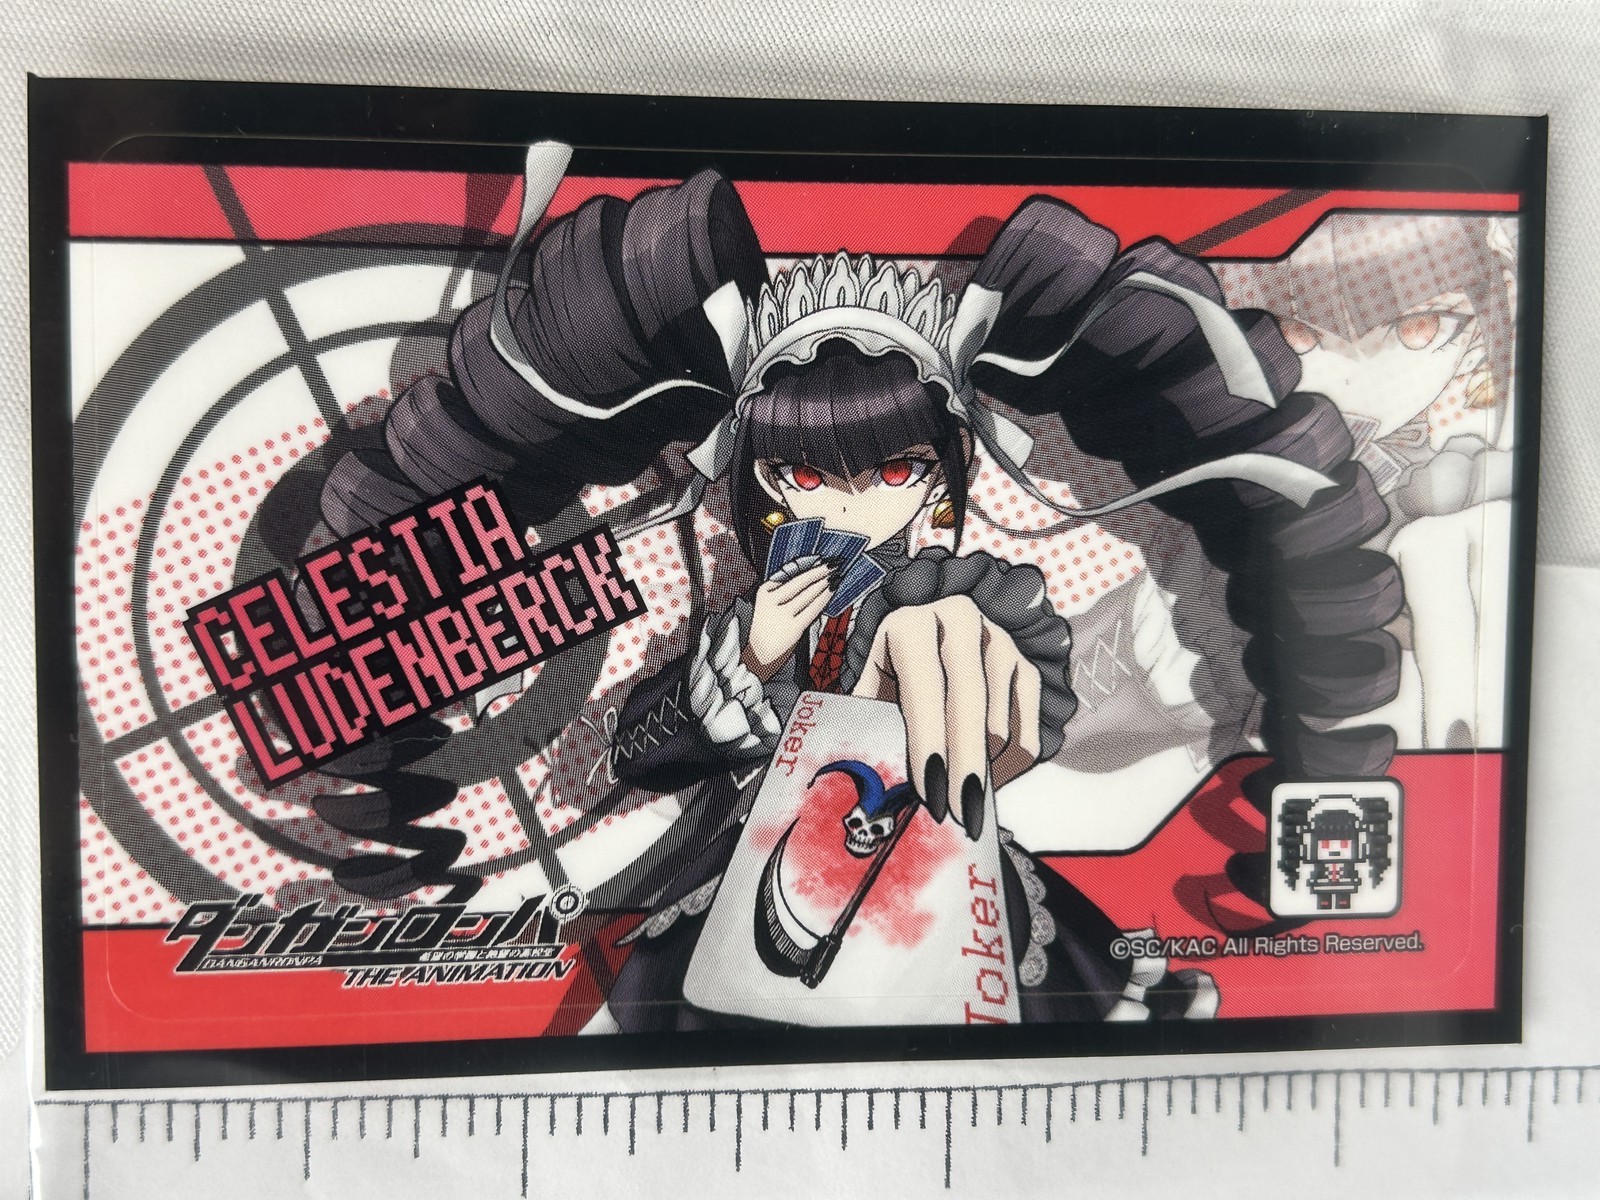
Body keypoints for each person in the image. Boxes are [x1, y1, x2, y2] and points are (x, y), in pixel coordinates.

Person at [312, 144, 1402, 1026]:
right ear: (755, 483)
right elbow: (638, 756)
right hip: (761, 903)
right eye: (802, 476)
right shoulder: (760, 617)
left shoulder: (976, 595)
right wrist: (729, 681)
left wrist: (954, 665)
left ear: (943, 477)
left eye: (890, 472)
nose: (846, 506)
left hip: (943, 903)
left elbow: (1024, 702)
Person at [1215, 214, 1517, 749]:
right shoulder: (1223, 464)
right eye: (1297, 332)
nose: (1356, 373)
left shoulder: (1435, 465)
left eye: (1418, 326)